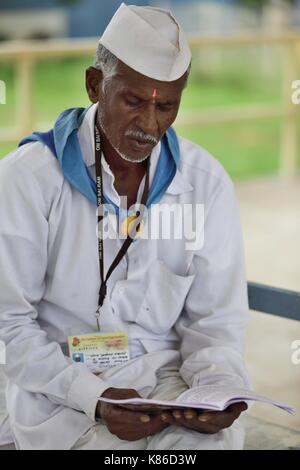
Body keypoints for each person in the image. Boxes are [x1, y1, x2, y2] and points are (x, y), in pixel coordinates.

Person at [0, 3, 250, 450]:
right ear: (95, 85)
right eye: (134, 102)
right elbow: (9, 326)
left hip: (165, 381)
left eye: (167, 107)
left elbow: (216, 325)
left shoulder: (205, 183)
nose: (149, 125)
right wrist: (95, 398)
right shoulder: (26, 179)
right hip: (56, 386)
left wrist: (217, 390)